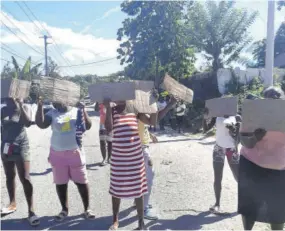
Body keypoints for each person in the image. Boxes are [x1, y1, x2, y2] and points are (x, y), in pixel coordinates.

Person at [35, 99, 95, 221]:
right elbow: (41, 124)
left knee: (82, 182)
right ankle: (64, 210)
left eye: (57, 101)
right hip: (57, 154)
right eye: (54, 101)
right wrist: (40, 106)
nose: (55, 104)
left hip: (75, 153)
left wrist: (83, 110)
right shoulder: (52, 113)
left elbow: (88, 126)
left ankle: (87, 209)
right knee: (61, 183)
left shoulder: (76, 110)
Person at [104, 99, 157, 230]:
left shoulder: (134, 109)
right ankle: (115, 220)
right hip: (118, 158)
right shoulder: (113, 109)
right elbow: (109, 128)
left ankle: (141, 222)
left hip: (136, 158)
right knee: (116, 190)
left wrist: (154, 105)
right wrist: (108, 108)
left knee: (139, 190)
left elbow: (152, 122)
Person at [238, 87, 285, 230]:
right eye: (269, 97)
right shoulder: (254, 114)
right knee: (249, 206)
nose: (273, 98)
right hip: (252, 165)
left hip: (280, 170)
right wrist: (255, 137)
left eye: (277, 96)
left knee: (278, 211)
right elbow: (245, 142)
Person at [1, 97, 40, 226]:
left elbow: (28, 123)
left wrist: (20, 104)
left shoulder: (24, 108)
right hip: (6, 147)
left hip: (21, 147)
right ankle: (12, 204)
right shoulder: (3, 110)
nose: (8, 100)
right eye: (6, 98)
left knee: (25, 177)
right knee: (9, 176)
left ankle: (31, 211)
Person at [203, 108, 241, 214]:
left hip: (232, 150)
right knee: (217, 177)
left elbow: (239, 140)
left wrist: (233, 130)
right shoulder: (217, 116)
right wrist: (204, 118)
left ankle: (245, 203)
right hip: (219, 149)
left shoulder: (237, 117)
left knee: (238, 177)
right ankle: (217, 204)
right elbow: (205, 129)